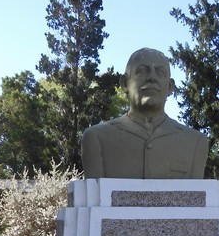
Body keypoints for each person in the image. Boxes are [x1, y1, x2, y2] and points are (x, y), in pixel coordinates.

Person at [81, 48, 208, 179]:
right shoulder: (97, 138)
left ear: (170, 87)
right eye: (141, 71)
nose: (152, 78)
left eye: (160, 72)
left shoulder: (195, 143)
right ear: (125, 83)